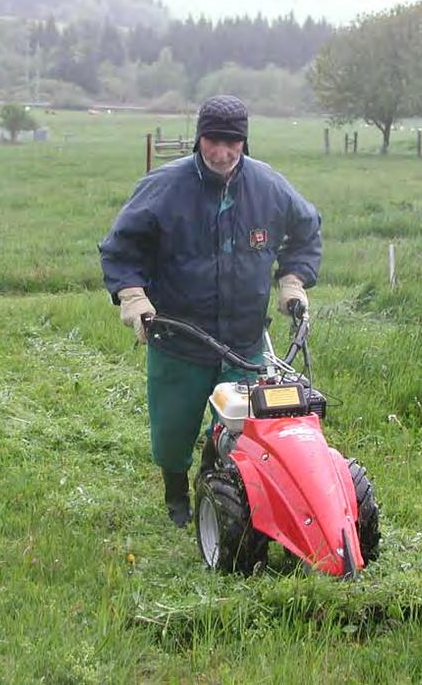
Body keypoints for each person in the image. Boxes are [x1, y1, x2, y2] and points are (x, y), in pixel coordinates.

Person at [99, 95, 322, 527]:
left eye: (231, 143)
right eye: (212, 142)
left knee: (240, 429)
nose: (221, 153)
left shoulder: (268, 187)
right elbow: (121, 247)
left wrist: (293, 279)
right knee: (172, 427)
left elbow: (307, 228)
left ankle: (218, 485)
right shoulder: (164, 188)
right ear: (199, 138)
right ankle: (175, 494)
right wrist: (133, 296)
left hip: (243, 340)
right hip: (180, 337)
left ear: (244, 142)